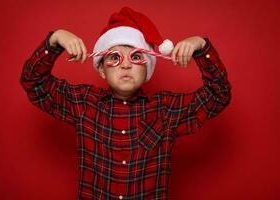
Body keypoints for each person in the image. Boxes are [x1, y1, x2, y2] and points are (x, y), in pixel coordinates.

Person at [20, 6, 231, 200]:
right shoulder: (84, 103)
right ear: (101, 69)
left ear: (147, 68)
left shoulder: (165, 109)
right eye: (114, 57)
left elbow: (218, 95)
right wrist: (54, 41)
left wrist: (201, 47)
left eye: (136, 56)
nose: (126, 65)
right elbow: (34, 83)